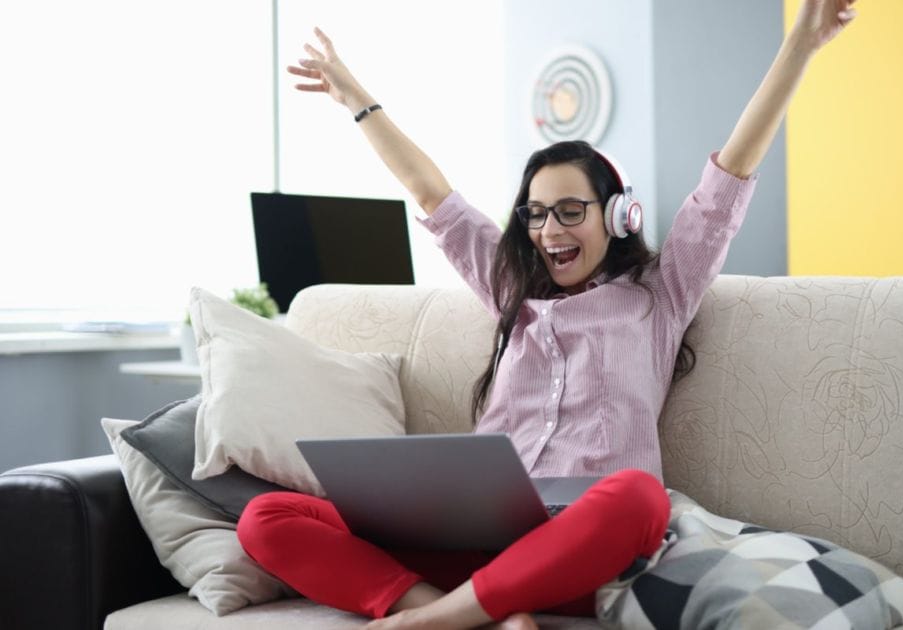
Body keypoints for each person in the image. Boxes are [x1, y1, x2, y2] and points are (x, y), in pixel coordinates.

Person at [236, 1, 858, 628]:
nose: (547, 230)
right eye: (534, 213)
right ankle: (460, 611)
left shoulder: (660, 292)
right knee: (267, 517)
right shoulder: (513, 289)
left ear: (617, 217)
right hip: (470, 543)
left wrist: (801, 44)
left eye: (568, 211)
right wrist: (355, 99)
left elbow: (729, 178)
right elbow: (433, 194)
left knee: (641, 499)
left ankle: (430, 621)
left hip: (578, 554)